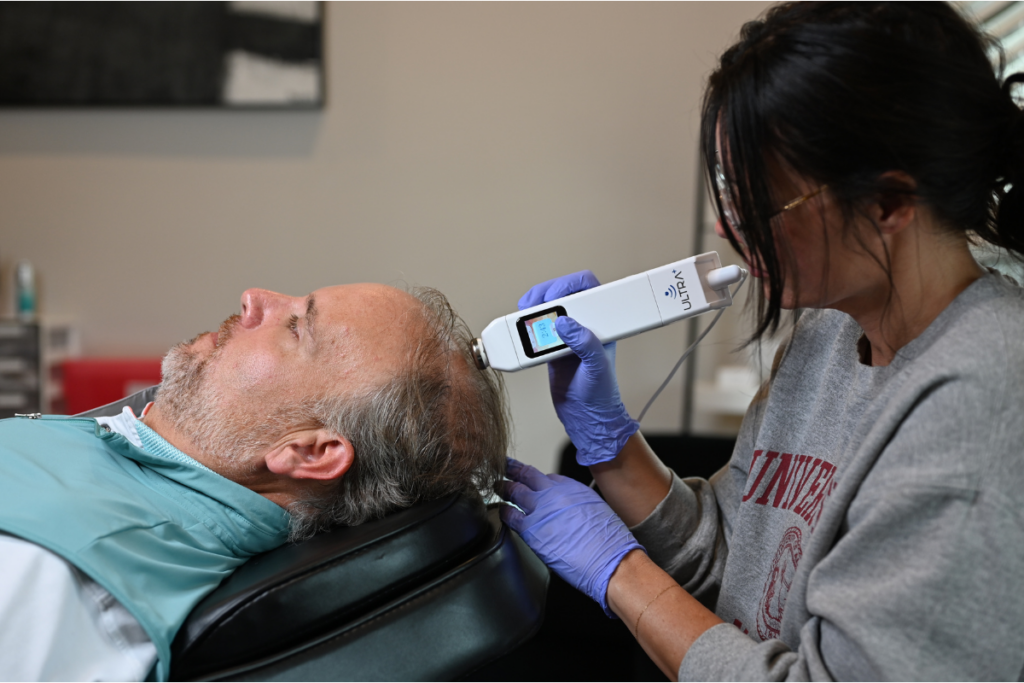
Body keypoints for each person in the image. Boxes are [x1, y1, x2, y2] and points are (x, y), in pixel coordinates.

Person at [500, 2, 1024, 680]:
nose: (726, 226)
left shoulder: (983, 401)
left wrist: (620, 572)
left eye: (760, 198)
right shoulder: (827, 336)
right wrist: (612, 448)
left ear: (889, 203)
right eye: (727, 187)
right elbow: (735, 563)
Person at [0, 283, 509, 681]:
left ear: (309, 451)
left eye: (296, 327)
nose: (252, 298)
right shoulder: (127, 456)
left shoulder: (61, 572)